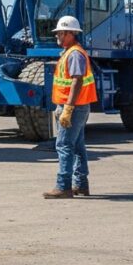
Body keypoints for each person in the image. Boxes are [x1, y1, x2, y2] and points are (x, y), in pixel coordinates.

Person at [43, 15, 98, 199]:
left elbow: (77, 81)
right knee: (77, 146)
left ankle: (63, 186)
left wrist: (68, 108)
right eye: (57, 33)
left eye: (60, 33)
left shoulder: (74, 54)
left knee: (64, 145)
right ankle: (81, 184)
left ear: (70, 34)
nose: (57, 36)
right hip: (77, 106)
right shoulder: (71, 52)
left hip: (74, 107)